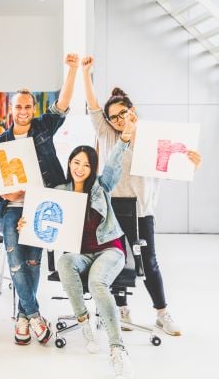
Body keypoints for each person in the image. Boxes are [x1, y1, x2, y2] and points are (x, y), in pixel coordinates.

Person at [81, 56, 202, 336]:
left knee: (149, 262)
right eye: (114, 117)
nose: (119, 119)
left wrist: (190, 162)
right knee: (116, 260)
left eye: (124, 113)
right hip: (112, 210)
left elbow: (172, 166)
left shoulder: (153, 137)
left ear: (132, 110)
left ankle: (162, 312)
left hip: (142, 210)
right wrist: (86, 73)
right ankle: (122, 309)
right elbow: (93, 107)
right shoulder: (107, 135)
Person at [0, 54, 79, 345]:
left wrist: (73, 69)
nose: (24, 110)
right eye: (19, 106)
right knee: (15, 263)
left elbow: (63, 104)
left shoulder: (42, 128)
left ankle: (22, 319)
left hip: (41, 207)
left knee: (32, 263)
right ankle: (35, 316)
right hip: (12, 208)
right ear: (11, 109)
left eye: (28, 106)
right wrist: (5, 193)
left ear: (33, 108)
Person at [31, 127, 134, 378]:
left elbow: (112, 165)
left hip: (109, 249)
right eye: (76, 162)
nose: (80, 168)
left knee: (97, 283)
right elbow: (42, 217)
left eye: (86, 165)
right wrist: (28, 224)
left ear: (92, 169)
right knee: (64, 262)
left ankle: (117, 349)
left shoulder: (101, 186)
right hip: (81, 254)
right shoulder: (61, 191)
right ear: (70, 163)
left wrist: (123, 140)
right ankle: (83, 321)